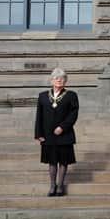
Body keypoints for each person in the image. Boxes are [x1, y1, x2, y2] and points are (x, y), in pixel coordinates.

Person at [34, 68, 79, 197]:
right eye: (56, 78)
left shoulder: (71, 95)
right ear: (51, 80)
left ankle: (60, 185)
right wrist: (39, 134)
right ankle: (52, 185)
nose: (59, 80)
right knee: (52, 161)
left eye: (62, 78)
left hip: (65, 134)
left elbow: (73, 114)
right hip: (48, 135)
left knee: (63, 161)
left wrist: (62, 127)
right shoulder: (43, 96)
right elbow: (39, 116)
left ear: (65, 81)